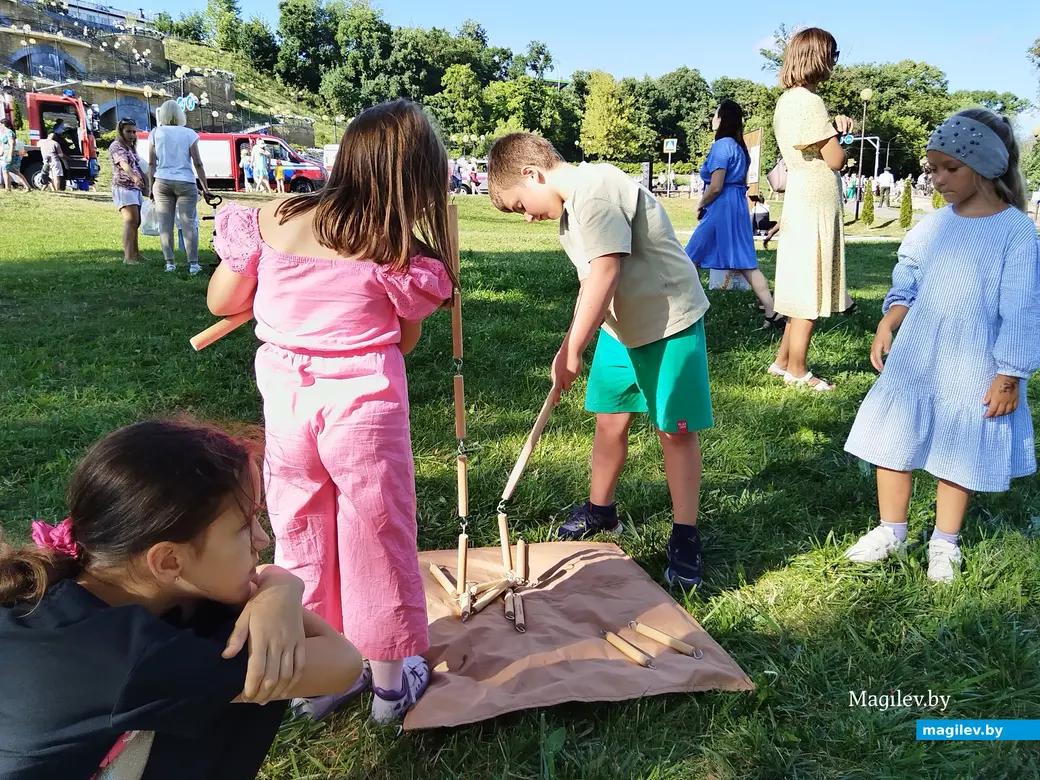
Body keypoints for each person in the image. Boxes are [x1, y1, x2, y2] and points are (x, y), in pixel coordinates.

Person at [206, 100, 456, 723]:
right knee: (378, 530)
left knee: (299, 527)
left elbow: (221, 301)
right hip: (365, 408)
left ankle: (315, 677)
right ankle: (390, 685)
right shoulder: (395, 249)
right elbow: (403, 338)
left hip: (289, 406)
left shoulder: (277, 218)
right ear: (415, 182)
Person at [0, 419, 363, 779]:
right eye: (245, 525)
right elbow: (343, 663)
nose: (262, 539)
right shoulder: (137, 659)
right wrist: (278, 586)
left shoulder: (40, 587)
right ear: (168, 560)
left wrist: (279, 583)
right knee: (236, 642)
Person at [487, 132, 714, 589]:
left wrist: (573, 350)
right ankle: (602, 511)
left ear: (532, 174)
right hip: (619, 328)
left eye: (520, 205)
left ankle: (685, 534)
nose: (528, 216)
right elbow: (590, 282)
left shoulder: (597, 189)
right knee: (610, 420)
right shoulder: (570, 216)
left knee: (674, 431)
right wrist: (571, 342)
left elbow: (608, 270)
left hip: (666, 320)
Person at [843, 109, 1039, 583]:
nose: (938, 179)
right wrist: (893, 313)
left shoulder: (1016, 230)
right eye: (933, 169)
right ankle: (892, 530)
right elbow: (909, 271)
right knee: (894, 435)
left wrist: (1010, 372)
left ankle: (944, 541)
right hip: (918, 352)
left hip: (976, 356)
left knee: (961, 443)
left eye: (950, 168)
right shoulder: (935, 224)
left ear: (987, 165)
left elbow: (1023, 305)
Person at [768, 27, 854, 391]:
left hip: (801, 195)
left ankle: (783, 360)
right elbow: (835, 159)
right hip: (815, 198)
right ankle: (798, 371)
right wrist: (841, 136)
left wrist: (831, 130)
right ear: (820, 58)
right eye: (832, 55)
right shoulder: (808, 101)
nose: (835, 62)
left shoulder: (789, 100)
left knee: (799, 281)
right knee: (810, 285)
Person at [685, 100, 782, 328]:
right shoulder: (740, 147)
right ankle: (772, 311)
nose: (712, 119)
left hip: (721, 206)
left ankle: (684, 307)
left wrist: (701, 203)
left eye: (715, 114)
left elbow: (716, 185)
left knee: (689, 256)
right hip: (738, 204)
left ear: (722, 119)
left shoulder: (721, 146)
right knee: (746, 261)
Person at [148, 100, 213, 275]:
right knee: (188, 223)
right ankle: (193, 263)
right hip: (185, 181)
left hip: (161, 180)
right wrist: (205, 188)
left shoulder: (155, 133)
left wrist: (150, 187)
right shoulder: (189, 134)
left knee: (165, 223)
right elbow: (197, 163)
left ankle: (170, 263)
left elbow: (152, 163)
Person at [109, 118, 148, 264]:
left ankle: (135, 253)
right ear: (121, 131)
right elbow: (123, 164)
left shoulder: (130, 147)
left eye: (134, 131)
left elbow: (138, 165)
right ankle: (128, 257)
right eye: (128, 131)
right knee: (130, 221)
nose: (132, 135)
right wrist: (134, 177)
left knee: (136, 221)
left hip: (134, 188)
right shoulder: (117, 146)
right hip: (123, 186)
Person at [0, 118, 29, 192]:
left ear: (4, 124)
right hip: (6, 154)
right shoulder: (5, 133)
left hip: (10, 154)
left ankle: (7, 188)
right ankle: (27, 186)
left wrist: (10, 155)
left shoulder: (9, 132)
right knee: (14, 171)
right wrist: (1, 153)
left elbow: (12, 144)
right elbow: (3, 145)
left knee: (5, 170)